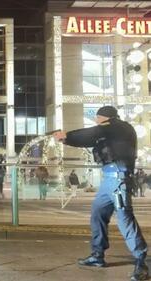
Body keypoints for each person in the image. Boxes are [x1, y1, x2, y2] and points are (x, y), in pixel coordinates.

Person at [54, 105, 148, 281]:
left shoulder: (117, 126)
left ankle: (141, 262)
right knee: (97, 213)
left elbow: (92, 133)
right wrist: (67, 140)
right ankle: (97, 256)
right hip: (108, 180)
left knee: (125, 219)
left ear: (103, 117)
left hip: (119, 179)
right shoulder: (111, 130)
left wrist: (67, 135)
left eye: (97, 118)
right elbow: (92, 138)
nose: (96, 121)